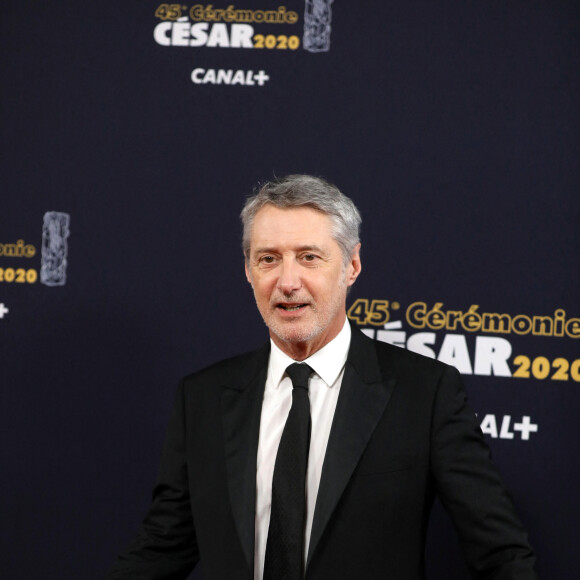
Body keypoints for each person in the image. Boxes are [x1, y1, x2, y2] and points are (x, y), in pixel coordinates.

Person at [107, 175, 537, 579]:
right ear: (247, 270)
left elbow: (499, 553)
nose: (287, 281)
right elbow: (162, 549)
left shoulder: (425, 393)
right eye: (268, 259)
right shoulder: (202, 397)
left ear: (351, 266)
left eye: (309, 257)